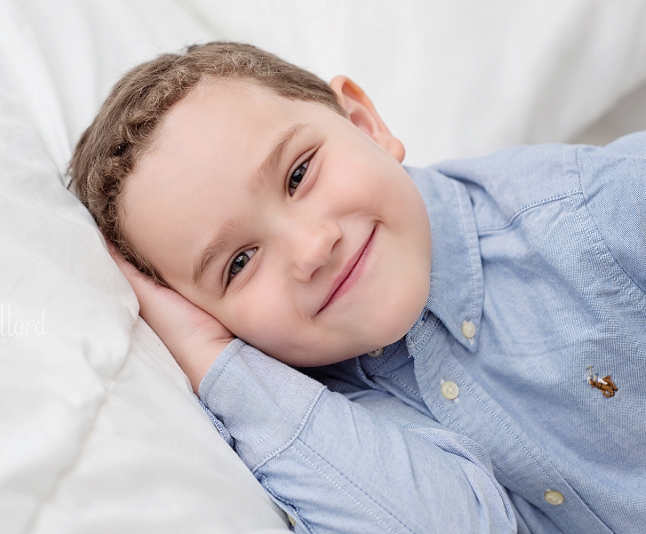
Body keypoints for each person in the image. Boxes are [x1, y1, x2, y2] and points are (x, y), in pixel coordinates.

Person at [69, 42, 646, 534]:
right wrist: (212, 360)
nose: (312, 248)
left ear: (365, 125)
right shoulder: (324, 411)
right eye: (239, 263)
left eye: (299, 175)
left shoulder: (596, 211)